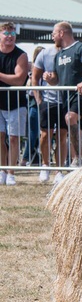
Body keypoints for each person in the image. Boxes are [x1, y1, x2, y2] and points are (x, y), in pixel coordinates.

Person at [51, 21, 82, 167]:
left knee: (70, 117)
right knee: (69, 123)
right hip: (65, 96)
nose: (52, 37)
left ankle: (78, 158)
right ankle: (75, 158)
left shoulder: (80, 48)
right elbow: (56, 80)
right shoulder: (58, 55)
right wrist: (49, 78)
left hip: (81, 93)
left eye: (54, 33)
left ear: (61, 33)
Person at [32, 43, 69, 184]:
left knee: (62, 135)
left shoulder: (72, 52)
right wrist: (38, 98)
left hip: (64, 101)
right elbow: (34, 77)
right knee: (45, 135)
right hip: (47, 101)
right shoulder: (44, 54)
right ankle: (45, 165)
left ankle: (59, 170)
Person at [0, 22, 29, 186]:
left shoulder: (21, 55)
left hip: (16, 102)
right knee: (0, 137)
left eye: (12, 34)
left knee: (13, 138)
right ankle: (2, 169)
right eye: (6, 34)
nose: (10, 37)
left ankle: (11, 172)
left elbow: (19, 80)